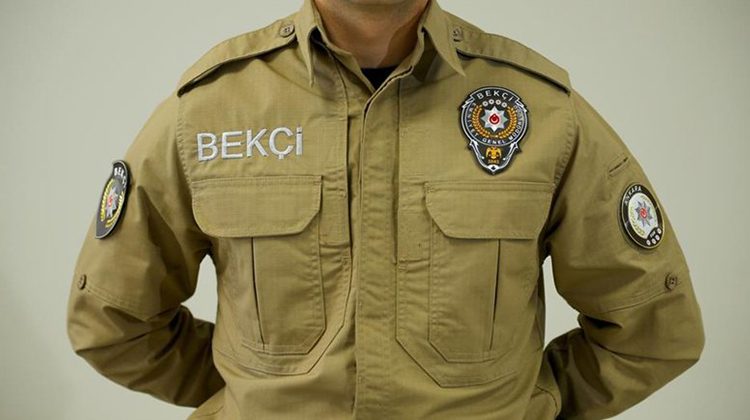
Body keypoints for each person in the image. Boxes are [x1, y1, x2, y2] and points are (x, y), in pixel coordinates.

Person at [66, 0, 705, 418]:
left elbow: (654, 328)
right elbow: (112, 321)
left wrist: (530, 404)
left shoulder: (540, 110)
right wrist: (250, 398)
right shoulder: (210, 110)